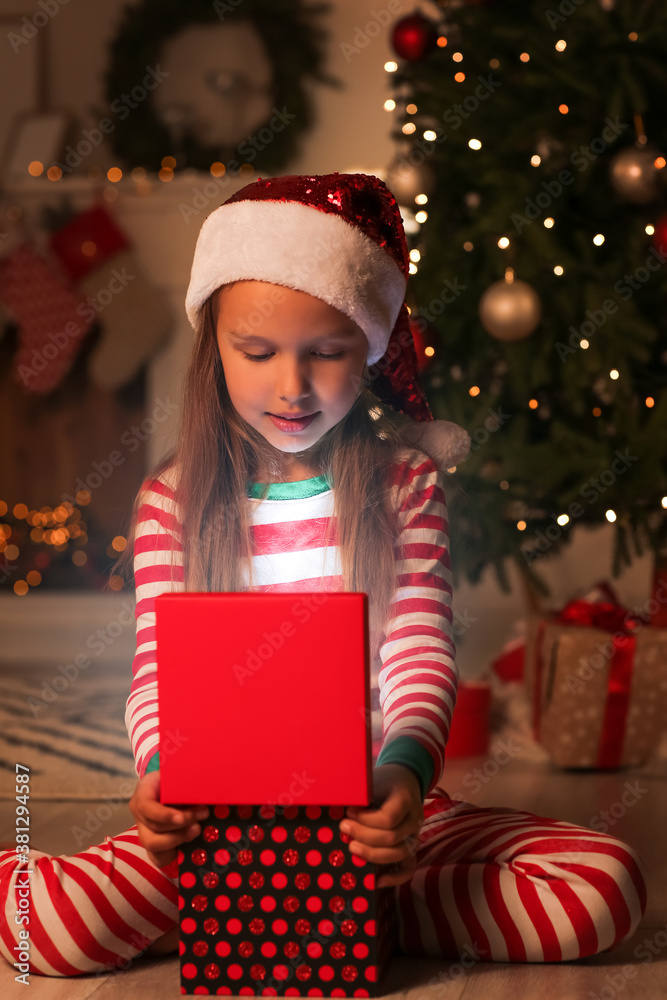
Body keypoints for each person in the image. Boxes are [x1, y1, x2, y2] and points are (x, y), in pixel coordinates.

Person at [0, 173, 647, 978]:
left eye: (327, 353)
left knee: (601, 888)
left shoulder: (403, 487)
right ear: (215, 349)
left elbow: (417, 651)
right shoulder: (171, 499)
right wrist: (163, 773)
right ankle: (294, 911)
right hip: (218, 824)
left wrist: (401, 778)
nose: (291, 386)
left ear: (369, 352)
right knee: (44, 927)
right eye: (257, 351)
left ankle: (324, 908)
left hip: (374, 807)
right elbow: (160, 670)